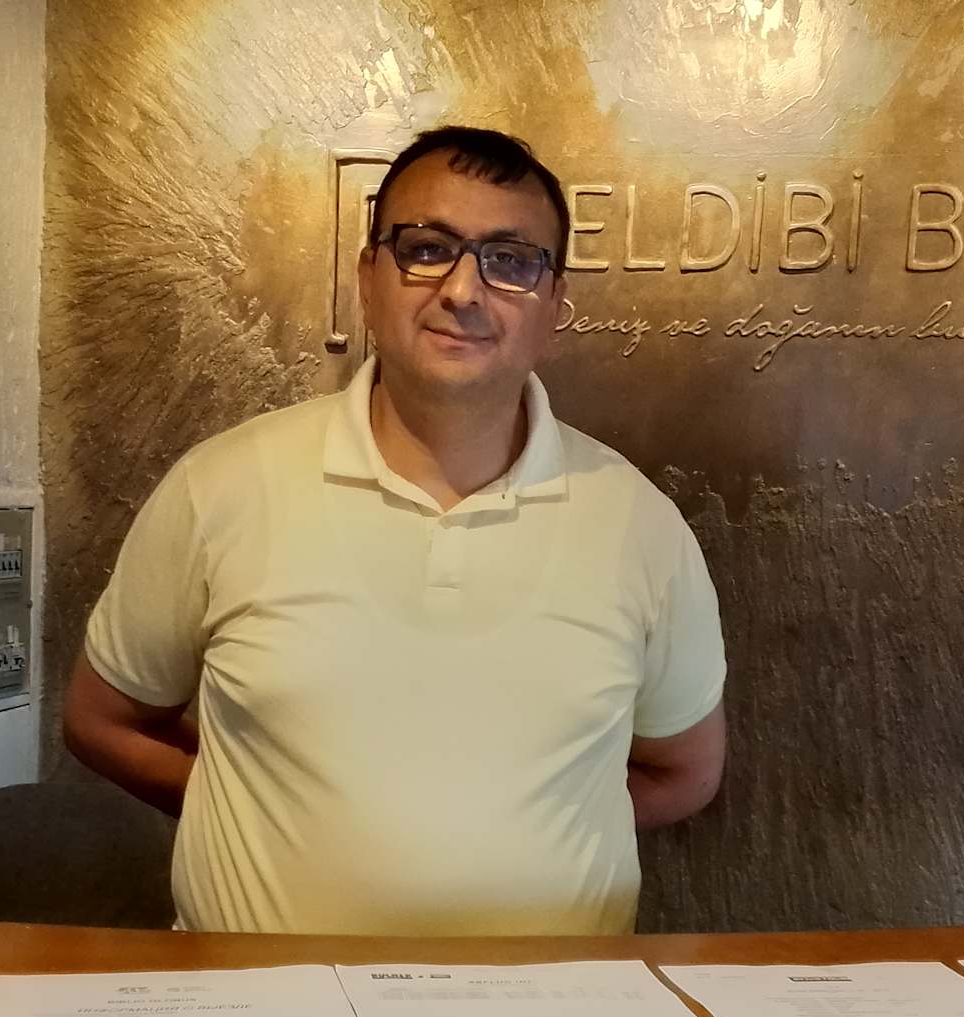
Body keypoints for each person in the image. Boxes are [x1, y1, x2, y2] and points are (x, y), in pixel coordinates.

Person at [62, 125, 727, 935]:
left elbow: (683, 771)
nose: (463, 289)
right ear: (368, 278)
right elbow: (102, 720)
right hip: (261, 1007)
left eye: (511, 261)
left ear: (554, 308)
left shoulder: (640, 527)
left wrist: (540, 823)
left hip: (549, 1009)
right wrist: (252, 803)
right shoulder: (222, 487)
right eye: (427, 249)